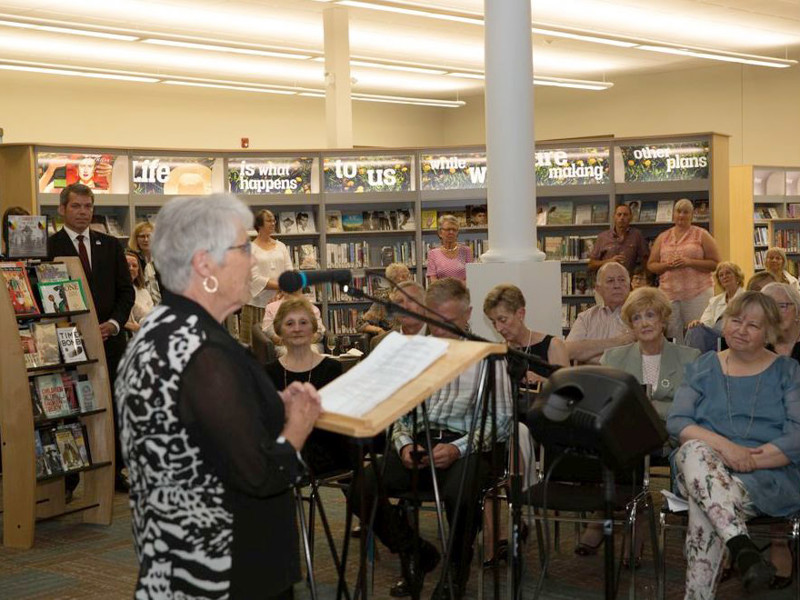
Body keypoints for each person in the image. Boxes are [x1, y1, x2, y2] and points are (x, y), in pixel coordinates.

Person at [115, 194, 322, 599]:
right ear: (204, 265)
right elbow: (260, 475)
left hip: (178, 559)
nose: (254, 261)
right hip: (226, 566)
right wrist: (297, 427)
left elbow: (196, 430)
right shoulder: (202, 351)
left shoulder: (163, 328)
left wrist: (261, 409)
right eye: (243, 249)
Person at [349, 278, 513, 599]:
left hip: (469, 446)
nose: (441, 329)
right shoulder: (416, 353)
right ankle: (416, 551)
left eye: (450, 322)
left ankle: (457, 566)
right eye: (436, 321)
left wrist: (457, 447)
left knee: (460, 495)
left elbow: (502, 421)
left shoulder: (488, 357)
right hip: (420, 441)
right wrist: (403, 443)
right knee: (361, 488)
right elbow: (401, 410)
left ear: (467, 315)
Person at [667, 291, 800, 598]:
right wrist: (727, 449)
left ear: (768, 333)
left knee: (706, 509)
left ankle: (735, 556)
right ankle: (742, 547)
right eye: (735, 320)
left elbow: (796, 437)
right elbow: (677, 422)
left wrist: (750, 460)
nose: (741, 329)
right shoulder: (703, 366)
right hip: (700, 465)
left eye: (752, 325)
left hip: (766, 476)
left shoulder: (788, 371)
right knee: (694, 450)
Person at [48, 183, 134, 491]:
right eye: (76, 206)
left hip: (109, 342)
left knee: (110, 406)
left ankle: (112, 472)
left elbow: (127, 291)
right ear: (62, 209)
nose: (83, 212)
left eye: (88, 206)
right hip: (66, 344)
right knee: (70, 407)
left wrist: (113, 323)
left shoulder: (109, 245)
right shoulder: (49, 247)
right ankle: (69, 477)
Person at [265, 296, 346, 475]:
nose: (297, 329)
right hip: (285, 447)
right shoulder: (268, 372)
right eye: (290, 323)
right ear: (279, 330)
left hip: (327, 447)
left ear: (313, 328)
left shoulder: (333, 368)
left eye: (303, 322)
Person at [761, 281, 800, 588]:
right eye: (768, 308)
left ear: (797, 312)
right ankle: (774, 540)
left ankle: (778, 541)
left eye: (782, 306)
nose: (775, 314)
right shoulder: (754, 348)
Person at [648, 198, 720, 342]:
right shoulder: (663, 237)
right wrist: (667, 266)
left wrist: (689, 262)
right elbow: (651, 265)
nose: (681, 215)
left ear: (692, 215)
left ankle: (699, 364)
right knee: (672, 336)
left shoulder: (702, 234)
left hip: (697, 293)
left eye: (686, 212)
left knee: (697, 333)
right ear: (673, 214)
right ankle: (677, 363)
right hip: (669, 295)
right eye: (678, 211)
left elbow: (715, 263)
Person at [483, 283, 569, 384]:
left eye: (503, 320)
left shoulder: (553, 346)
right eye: (493, 322)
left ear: (520, 314)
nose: (498, 328)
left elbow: (569, 392)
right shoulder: (497, 353)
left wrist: (543, 382)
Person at [241, 209, 293, 346]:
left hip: (280, 303)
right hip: (257, 305)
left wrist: (283, 291)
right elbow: (255, 278)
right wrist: (282, 286)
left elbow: (290, 272)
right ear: (259, 225)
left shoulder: (281, 246)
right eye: (269, 220)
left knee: (281, 347)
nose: (273, 223)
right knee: (257, 348)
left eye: (274, 220)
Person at [565, 262, 634, 364]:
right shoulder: (586, 318)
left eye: (622, 280)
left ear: (629, 286)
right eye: (610, 281)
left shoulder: (639, 316)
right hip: (590, 378)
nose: (617, 285)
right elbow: (568, 351)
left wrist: (588, 354)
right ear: (598, 289)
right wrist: (621, 341)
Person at [685, 262, 745, 353]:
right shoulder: (715, 301)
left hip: (735, 332)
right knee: (694, 329)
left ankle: (694, 364)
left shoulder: (747, 297)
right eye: (721, 275)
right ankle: (695, 363)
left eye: (728, 273)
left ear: (737, 276)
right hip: (716, 334)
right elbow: (706, 323)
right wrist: (698, 323)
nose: (724, 276)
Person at [588, 203, 649, 274]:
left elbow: (645, 260)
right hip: (608, 279)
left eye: (625, 215)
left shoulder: (637, 235)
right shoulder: (603, 237)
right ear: (614, 217)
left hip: (628, 280)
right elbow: (591, 264)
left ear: (631, 218)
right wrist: (609, 262)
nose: (622, 218)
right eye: (619, 214)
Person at [262, 290, 325, 355]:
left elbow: (319, 333)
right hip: (283, 346)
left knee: (312, 351)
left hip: (309, 344)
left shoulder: (313, 308)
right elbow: (268, 332)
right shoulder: (271, 307)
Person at [357, 262, 412, 336]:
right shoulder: (383, 301)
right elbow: (360, 324)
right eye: (405, 276)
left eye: (408, 275)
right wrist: (379, 330)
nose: (409, 279)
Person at [370, 280, 427, 350]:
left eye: (412, 300)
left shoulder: (442, 337)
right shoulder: (380, 343)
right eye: (399, 302)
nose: (405, 307)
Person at [426, 214, 474, 282]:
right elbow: (433, 280)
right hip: (441, 291)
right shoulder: (433, 253)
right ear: (440, 233)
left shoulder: (466, 251)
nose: (451, 232)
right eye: (448, 229)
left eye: (454, 230)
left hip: (462, 291)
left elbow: (471, 277)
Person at [127, 222, 161, 305]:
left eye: (149, 236)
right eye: (142, 236)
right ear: (136, 239)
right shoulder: (131, 259)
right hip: (139, 301)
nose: (146, 240)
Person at [124, 251, 154, 335]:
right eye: (127, 265)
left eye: (134, 266)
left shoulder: (144, 292)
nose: (131, 268)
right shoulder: (113, 291)